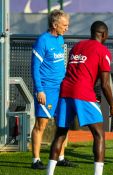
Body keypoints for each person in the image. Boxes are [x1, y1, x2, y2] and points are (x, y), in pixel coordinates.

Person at [46, 21, 113, 175]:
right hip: (83, 92)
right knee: (99, 134)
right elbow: (105, 84)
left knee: (61, 133)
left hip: (65, 91)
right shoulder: (103, 51)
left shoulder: (77, 46)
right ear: (104, 34)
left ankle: (49, 172)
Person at [31, 9, 75, 169]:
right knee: (41, 124)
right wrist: (39, 90)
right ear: (55, 25)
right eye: (64, 25)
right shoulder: (42, 40)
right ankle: (36, 160)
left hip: (61, 89)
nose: (67, 28)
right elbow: (35, 68)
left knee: (62, 123)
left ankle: (60, 157)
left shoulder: (61, 39)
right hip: (46, 89)